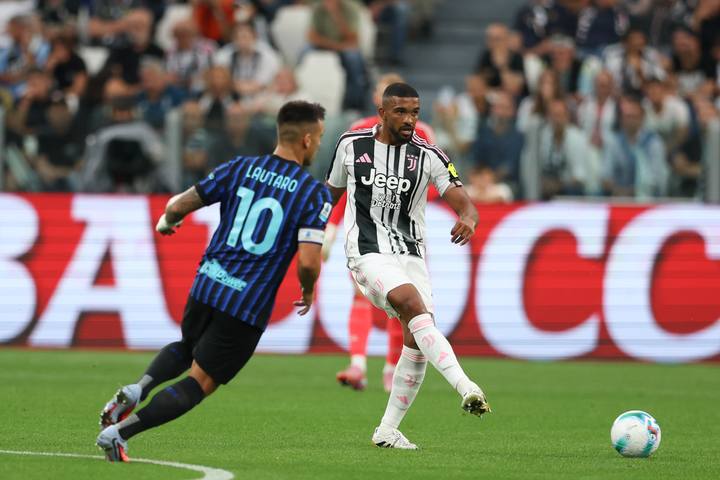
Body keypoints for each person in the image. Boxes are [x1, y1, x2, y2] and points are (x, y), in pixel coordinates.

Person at [95, 100, 332, 462]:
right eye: (319, 138)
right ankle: (119, 434)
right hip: (245, 304)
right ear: (307, 140)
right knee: (200, 382)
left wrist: (167, 222)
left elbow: (177, 206)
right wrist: (308, 288)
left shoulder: (239, 167)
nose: (318, 145)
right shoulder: (312, 193)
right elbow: (309, 260)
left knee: (187, 345)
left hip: (207, 283)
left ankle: (137, 388)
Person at [326, 82, 490, 449]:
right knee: (412, 305)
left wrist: (468, 218)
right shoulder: (351, 146)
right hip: (367, 251)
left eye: (414, 113)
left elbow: (465, 203)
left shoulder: (429, 155)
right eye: (400, 112)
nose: (409, 120)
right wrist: (315, 234)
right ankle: (466, 386)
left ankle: (387, 430)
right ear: (382, 113)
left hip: (411, 254)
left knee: (416, 339)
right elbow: (330, 195)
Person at [327, 73, 435, 393]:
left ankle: (391, 367)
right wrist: (331, 226)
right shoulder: (357, 132)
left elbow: (432, 181)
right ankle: (358, 365)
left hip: (404, 234)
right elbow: (344, 185)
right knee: (360, 295)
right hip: (366, 231)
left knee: (404, 303)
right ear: (379, 101)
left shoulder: (422, 135)